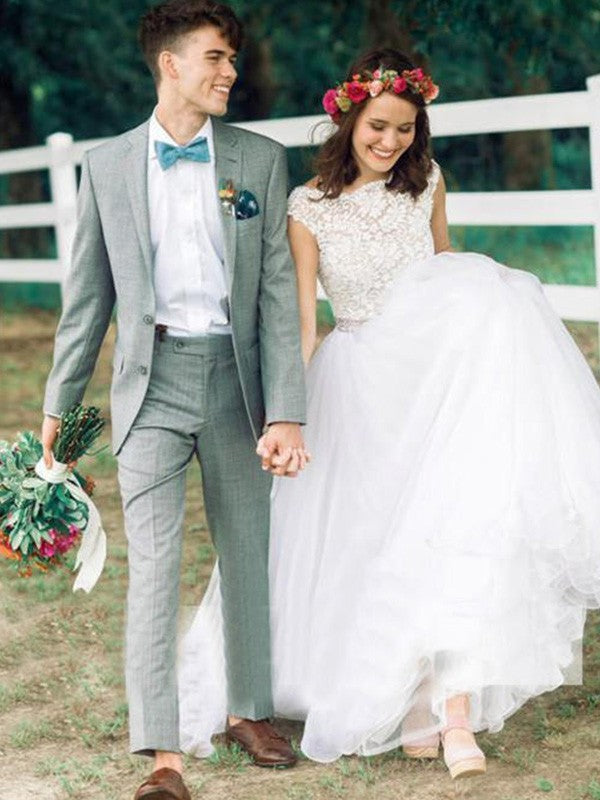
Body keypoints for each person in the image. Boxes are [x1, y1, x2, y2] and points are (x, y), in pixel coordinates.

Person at [178, 47, 600, 781]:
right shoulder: (307, 208)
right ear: (347, 121)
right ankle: (409, 700)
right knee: (379, 535)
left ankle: (452, 707)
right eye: (378, 126)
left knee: (454, 523)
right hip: (364, 379)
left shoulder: (429, 181)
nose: (390, 142)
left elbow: (445, 271)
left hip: (441, 377)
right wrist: (285, 414)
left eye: (405, 129)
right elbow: (305, 323)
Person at [41, 1, 308, 797]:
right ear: (171, 64)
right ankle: (162, 756)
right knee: (154, 564)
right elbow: (87, 298)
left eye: (232, 59)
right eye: (217, 58)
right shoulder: (109, 164)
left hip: (236, 384)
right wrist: (59, 409)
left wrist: (286, 409)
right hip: (148, 389)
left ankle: (251, 710)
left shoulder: (259, 161)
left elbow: (276, 300)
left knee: (247, 549)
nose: (231, 72)